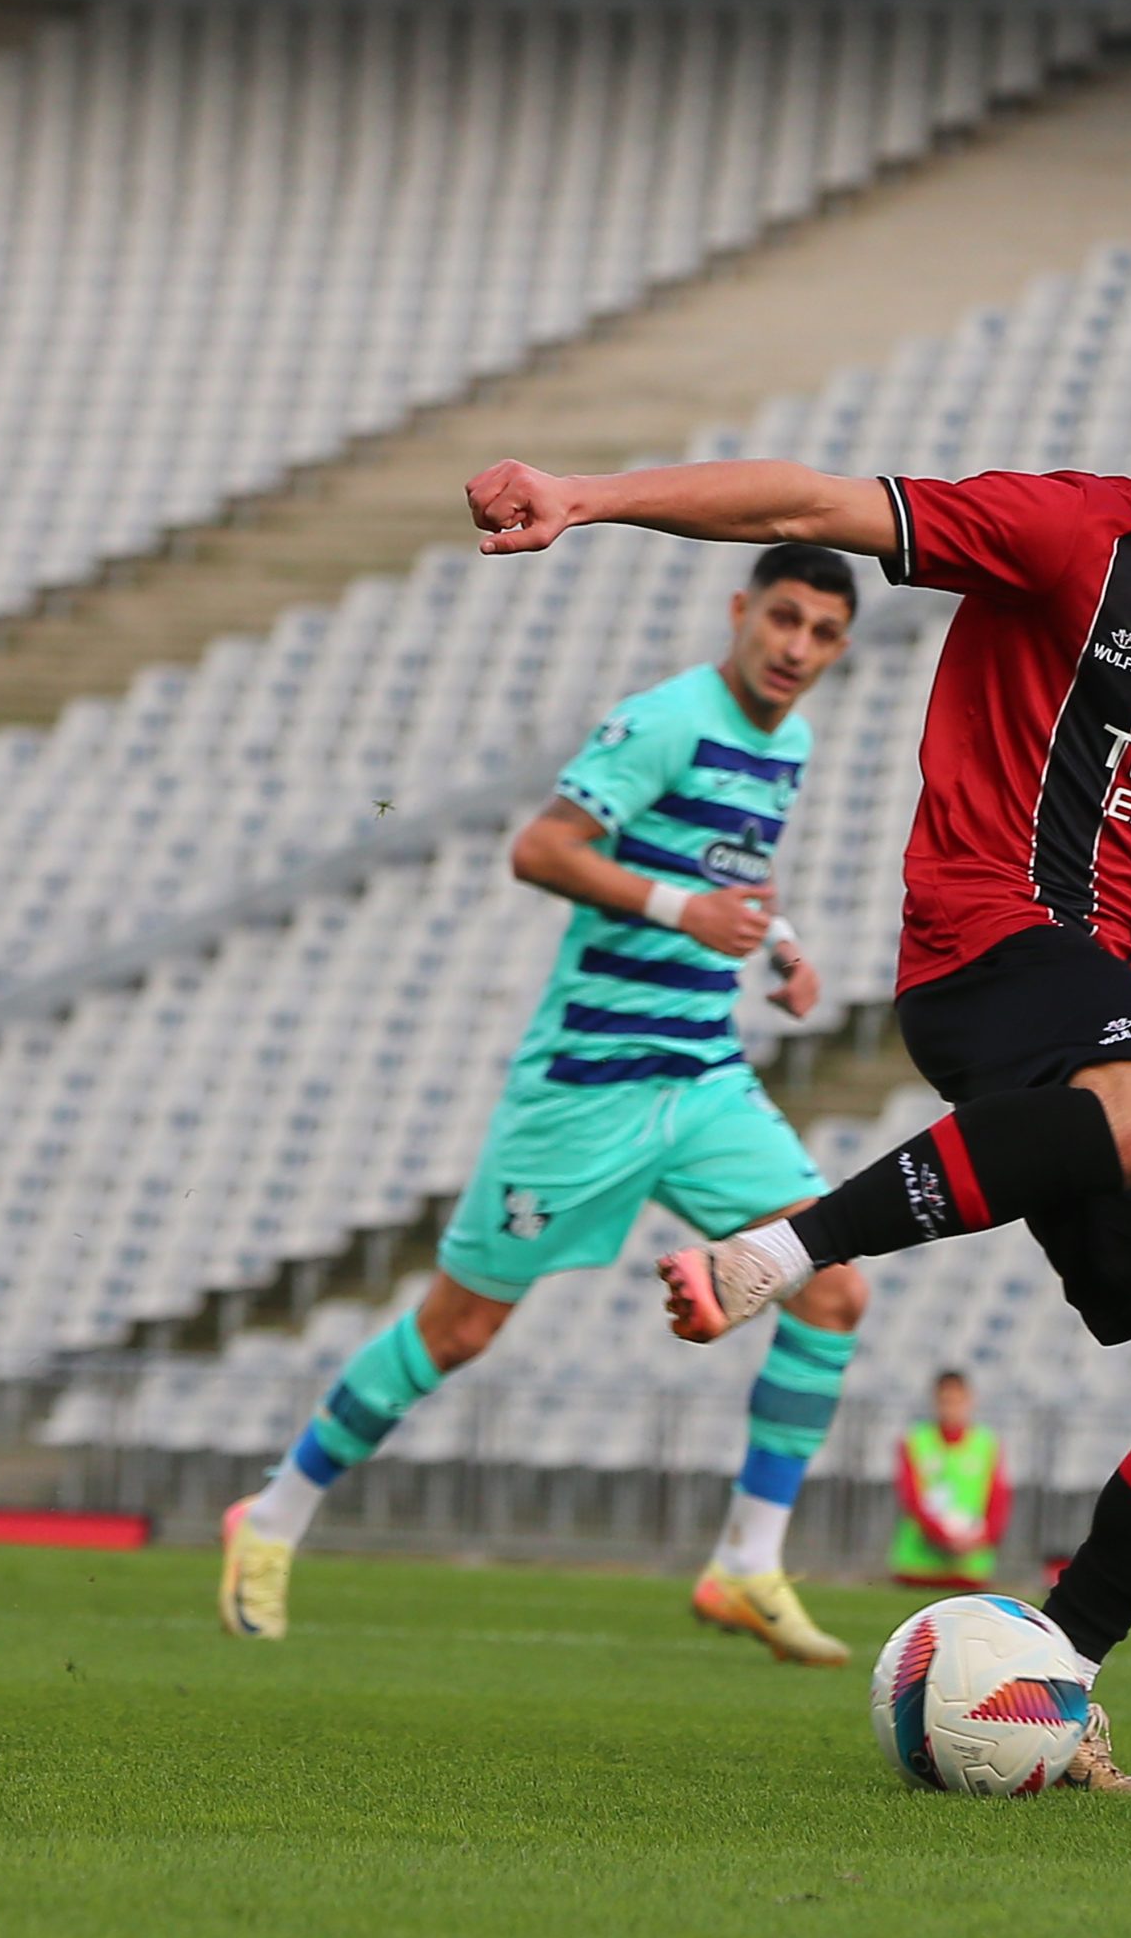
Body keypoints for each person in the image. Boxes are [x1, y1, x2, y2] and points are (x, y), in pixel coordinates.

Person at [464, 305, 1131, 1794]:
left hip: (1111, 1001)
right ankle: (787, 1246)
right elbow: (805, 502)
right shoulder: (1065, 537)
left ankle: (1053, 1677)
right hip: (985, 941)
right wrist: (587, 497)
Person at [219, 546, 873, 1669]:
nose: (795, 647)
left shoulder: (791, 741)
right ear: (740, 611)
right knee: (460, 1329)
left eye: (820, 631)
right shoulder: (667, 718)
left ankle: (747, 1562)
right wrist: (680, 908)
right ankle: (271, 1516)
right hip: (584, 1088)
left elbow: (736, 876)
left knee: (832, 1284)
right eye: (782, 618)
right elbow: (543, 848)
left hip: (702, 1078)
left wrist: (782, 946)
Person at [891, 1369, 1012, 1587]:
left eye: (957, 1401)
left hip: (969, 1567)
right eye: (945, 1401)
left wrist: (983, 1539)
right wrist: (941, 1537)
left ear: (970, 1400)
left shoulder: (986, 1443)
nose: (951, 1409)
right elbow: (911, 1497)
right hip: (918, 1566)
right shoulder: (916, 1440)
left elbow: (998, 1499)